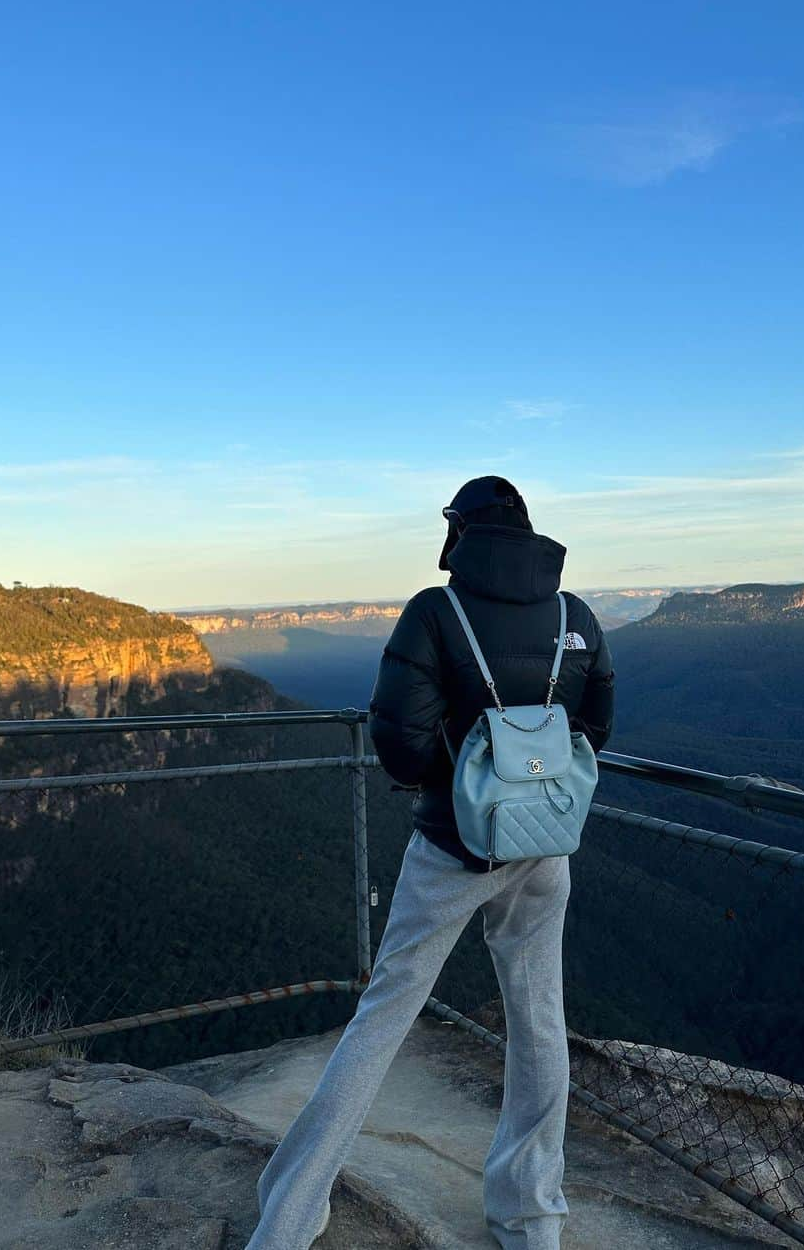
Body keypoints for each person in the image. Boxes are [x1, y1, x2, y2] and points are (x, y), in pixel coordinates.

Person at [245, 476, 615, 1250]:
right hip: (545, 845)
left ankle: (288, 1219)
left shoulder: (434, 612)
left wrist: (452, 780)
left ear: (461, 533)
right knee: (540, 1021)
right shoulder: (574, 616)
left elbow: (400, 741)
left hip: (454, 846)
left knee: (383, 1019)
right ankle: (532, 1218)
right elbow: (595, 726)